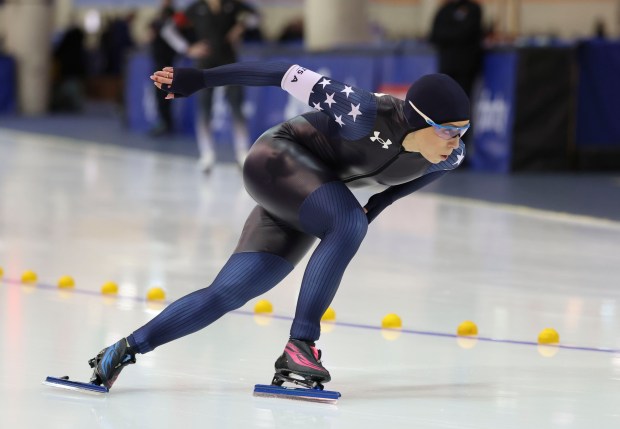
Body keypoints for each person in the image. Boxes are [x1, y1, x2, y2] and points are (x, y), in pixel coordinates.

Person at [87, 61, 471, 391]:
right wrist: (200, 78)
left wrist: (376, 205)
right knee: (348, 222)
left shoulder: (446, 158)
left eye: (463, 132)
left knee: (228, 292)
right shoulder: (363, 110)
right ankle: (300, 346)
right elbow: (282, 72)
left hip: (310, 194)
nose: (455, 143)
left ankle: (123, 350)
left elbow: (389, 193)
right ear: (417, 119)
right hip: (276, 159)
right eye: (448, 131)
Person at [160, 0, 259, 172]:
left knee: (237, 106)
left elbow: (256, 17)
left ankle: (242, 153)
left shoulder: (233, 5)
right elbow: (168, 30)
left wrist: (241, 26)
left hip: (229, 63)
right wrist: (187, 48)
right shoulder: (195, 8)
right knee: (205, 108)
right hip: (205, 64)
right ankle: (207, 154)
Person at [429, 0, 483, 98]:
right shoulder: (444, 10)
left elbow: (468, 33)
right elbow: (434, 36)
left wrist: (449, 35)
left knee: (463, 98)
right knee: (445, 98)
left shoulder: (472, 9)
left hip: (467, 67)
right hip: (447, 66)